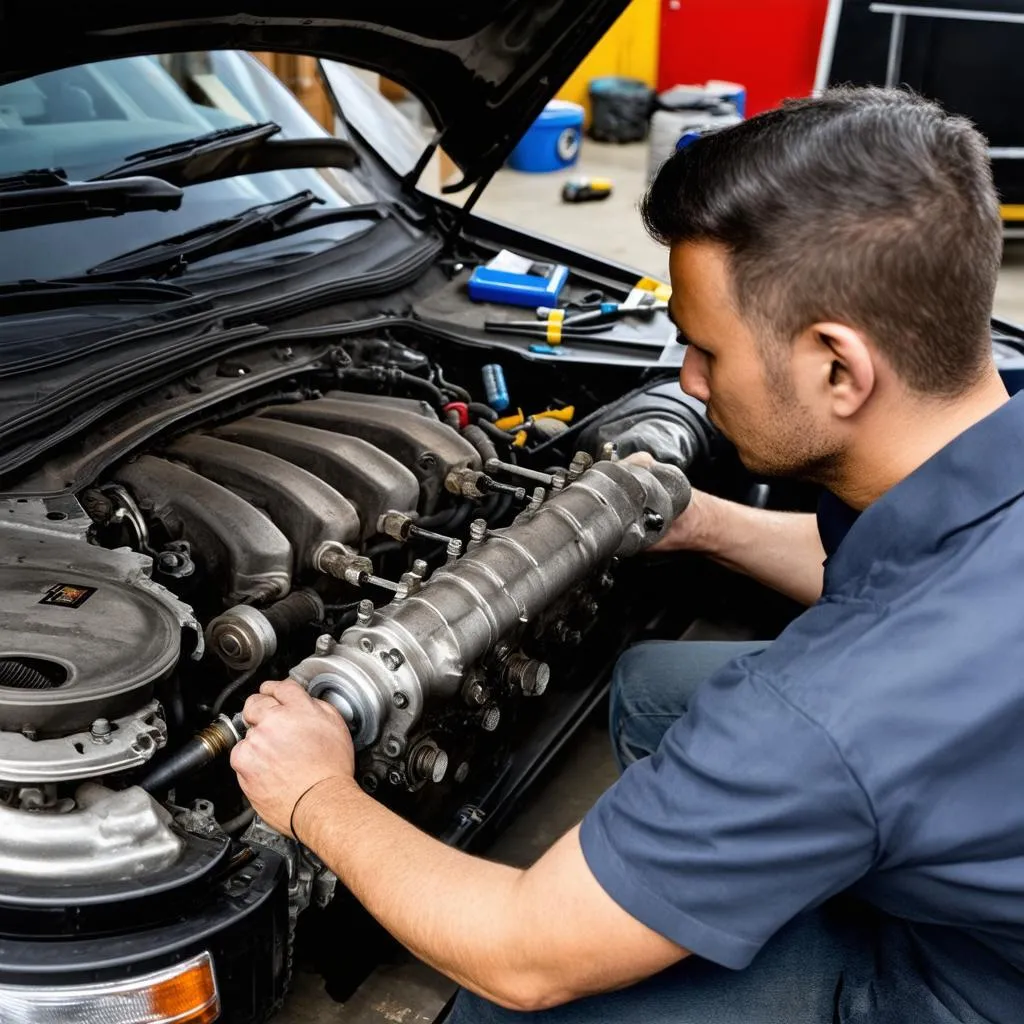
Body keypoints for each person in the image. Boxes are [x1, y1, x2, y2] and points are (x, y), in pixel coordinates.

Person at [231, 88, 1024, 1023]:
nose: (686, 379)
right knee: (651, 685)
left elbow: (519, 956)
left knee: (502, 1008)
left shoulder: (824, 717)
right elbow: (907, 579)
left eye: (704, 349)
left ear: (840, 368)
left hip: (970, 982)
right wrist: (706, 523)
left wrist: (315, 790)